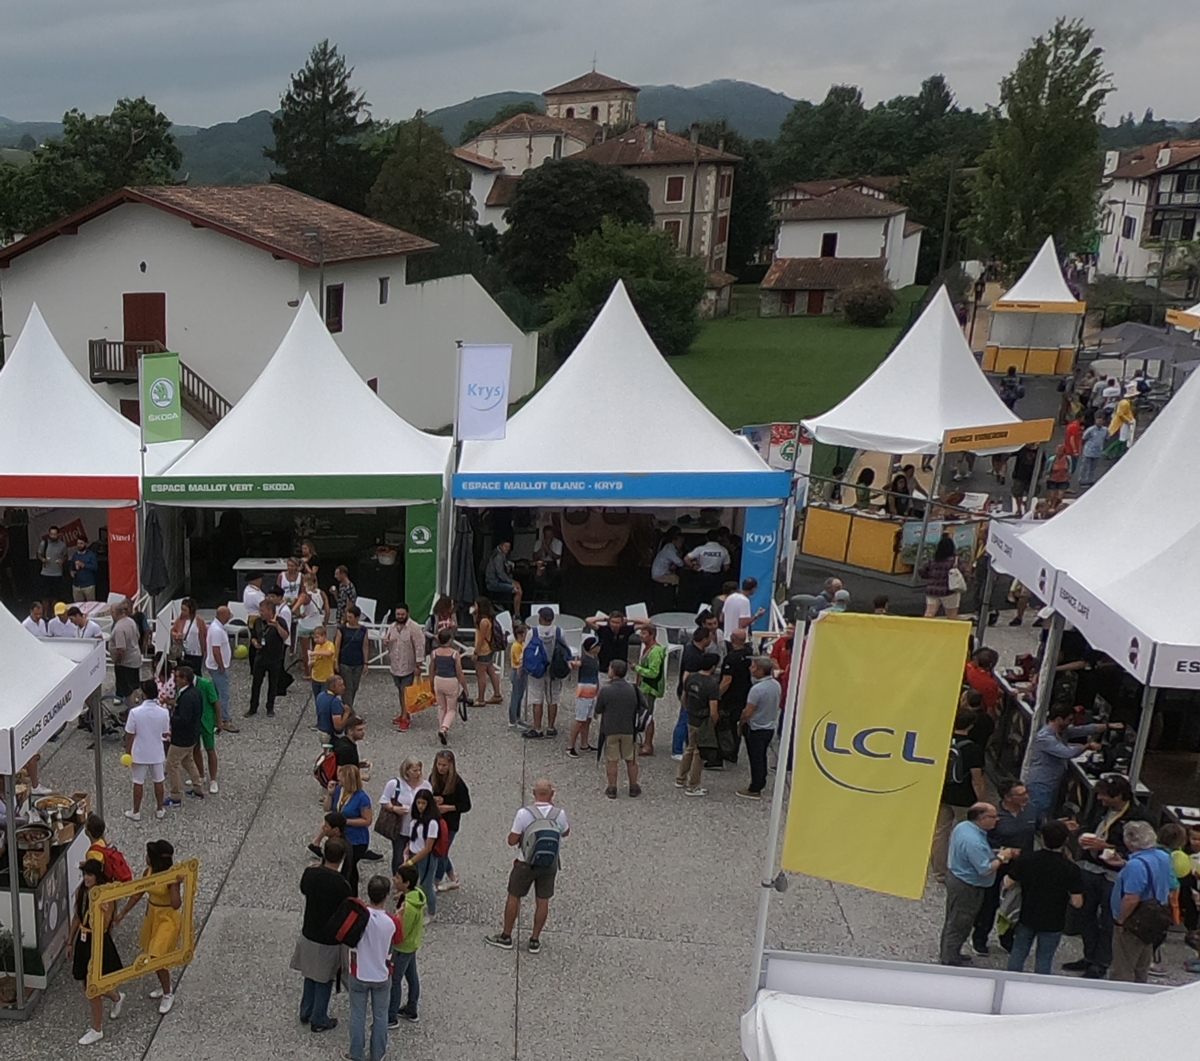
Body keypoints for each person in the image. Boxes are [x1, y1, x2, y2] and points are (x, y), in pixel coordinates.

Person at [1068, 776, 1156, 979]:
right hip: (1090, 867)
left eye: (1104, 795)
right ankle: (1089, 956)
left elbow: (1142, 848)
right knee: (1085, 915)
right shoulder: (1100, 807)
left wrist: (1106, 847)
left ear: (1119, 796)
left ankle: (1101, 962)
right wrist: (1081, 835)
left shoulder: (1140, 817)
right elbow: (1088, 824)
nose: (1100, 798)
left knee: (1109, 920)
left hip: (1115, 874)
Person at [484, 778, 569, 953]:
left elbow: (512, 840)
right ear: (552, 794)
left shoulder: (524, 814)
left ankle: (506, 936)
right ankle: (535, 940)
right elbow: (565, 832)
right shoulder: (559, 814)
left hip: (525, 863)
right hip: (549, 864)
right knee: (543, 901)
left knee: (514, 896)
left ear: (533, 793)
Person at [1004, 819, 1084, 974]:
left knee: (1018, 952)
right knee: (1045, 958)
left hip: (1027, 915)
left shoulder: (1027, 859)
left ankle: (1010, 981)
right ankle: (1039, 988)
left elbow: (1008, 883)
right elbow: (1077, 902)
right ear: (1066, 840)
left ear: (1041, 838)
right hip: (1054, 920)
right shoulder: (1071, 869)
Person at [940, 804, 1017, 965]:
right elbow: (985, 869)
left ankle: (949, 952)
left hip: (957, 877)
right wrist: (1002, 857)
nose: (997, 820)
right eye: (994, 817)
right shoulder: (974, 841)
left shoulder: (963, 827)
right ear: (982, 818)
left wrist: (994, 853)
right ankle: (950, 959)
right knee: (960, 922)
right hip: (967, 886)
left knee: (953, 918)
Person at [113, 839, 184, 1013]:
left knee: (156, 956)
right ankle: (163, 983)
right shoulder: (148, 872)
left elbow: (176, 904)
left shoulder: (170, 877)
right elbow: (138, 894)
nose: (145, 857)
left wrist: (176, 885)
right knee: (156, 957)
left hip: (167, 919)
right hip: (153, 916)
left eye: (148, 855)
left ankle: (168, 994)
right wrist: (122, 913)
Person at [972, 778, 1040, 956]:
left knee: (1015, 904)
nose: (1026, 796)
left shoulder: (1032, 811)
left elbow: (1039, 831)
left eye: (1026, 792)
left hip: (1022, 867)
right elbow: (983, 843)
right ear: (1008, 798)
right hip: (999, 865)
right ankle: (980, 937)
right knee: (989, 903)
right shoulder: (995, 816)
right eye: (1021, 794)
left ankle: (1008, 938)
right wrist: (1005, 852)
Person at [293, 835, 350, 1035]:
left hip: (309, 931)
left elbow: (303, 889)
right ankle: (319, 1018)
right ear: (342, 857)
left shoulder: (310, 875)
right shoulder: (342, 885)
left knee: (309, 973)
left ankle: (305, 1010)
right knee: (325, 978)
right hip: (328, 939)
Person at [68, 858, 125, 1044]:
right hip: (84, 940)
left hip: (98, 940)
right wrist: (70, 942)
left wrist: (100, 910)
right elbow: (77, 916)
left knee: (93, 987)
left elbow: (105, 924)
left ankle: (97, 1028)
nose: (86, 878)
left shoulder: (105, 895)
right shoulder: (81, 892)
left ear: (97, 877)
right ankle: (116, 997)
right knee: (87, 984)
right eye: (85, 874)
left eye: (90, 875)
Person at [1110, 820, 1174, 983]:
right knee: (1142, 966)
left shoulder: (1135, 865)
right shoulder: (1164, 857)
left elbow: (1131, 898)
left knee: (1123, 968)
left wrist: (1120, 921)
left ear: (1129, 841)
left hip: (1134, 922)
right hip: (1153, 919)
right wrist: (1124, 864)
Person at [345, 875, 396, 1061]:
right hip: (381, 975)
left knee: (357, 1015)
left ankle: (356, 1054)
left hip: (359, 972)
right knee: (380, 1016)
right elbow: (398, 941)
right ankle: (378, 1055)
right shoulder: (391, 922)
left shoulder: (358, 916)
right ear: (386, 895)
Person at [932, 708, 986, 884]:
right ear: (971, 726)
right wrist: (982, 801)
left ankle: (939, 872)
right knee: (967, 833)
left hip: (943, 792)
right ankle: (962, 869)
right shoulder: (973, 749)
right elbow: (977, 779)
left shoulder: (943, 741)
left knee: (941, 832)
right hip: (964, 797)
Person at [1024, 705, 1104, 822]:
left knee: (1046, 814)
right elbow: (1067, 753)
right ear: (1059, 719)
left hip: (1052, 781)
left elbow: (1080, 730)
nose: (1070, 724)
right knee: (1036, 815)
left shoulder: (1061, 732)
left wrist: (1104, 726)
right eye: (1069, 720)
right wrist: (1087, 747)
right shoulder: (1045, 737)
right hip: (1041, 782)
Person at [594, 659, 642, 799]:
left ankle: (612, 787)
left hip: (611, 730)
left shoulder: (606, 690)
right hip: (629, 729)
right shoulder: (634, 689)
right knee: (631, 759)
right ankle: (633, 786)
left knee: (612, 760)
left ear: (613, 671)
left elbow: (598, 709)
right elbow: (643, 707)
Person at [124, 679, 170, 822]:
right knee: (159, 781)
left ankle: (136, 811)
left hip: (139, 752)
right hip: (156, 752)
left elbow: (130, 735)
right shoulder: (164, 712)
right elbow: (164, 733)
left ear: (143, 694)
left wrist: (128, 752)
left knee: (138, 782)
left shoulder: (135, 712)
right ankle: (160, 809)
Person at [676, 652, 720, 797]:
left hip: (691, 718)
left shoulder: (691, 677)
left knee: (689, 748)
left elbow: (684, 698)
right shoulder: (712, 685)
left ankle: (680, 778)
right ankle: (693, 785)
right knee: (699, 753)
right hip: (703, 722)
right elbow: (713, 710)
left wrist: (688, 710)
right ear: (713, 667)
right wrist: (714, 723)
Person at [524, 607, 571, 740]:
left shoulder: (532, 632)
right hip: (554, 670)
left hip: (537, 670)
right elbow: (566, 649)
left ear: (540, 618)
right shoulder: (559, 632)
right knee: (553, 699)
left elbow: (525, 651)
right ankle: (550, 727)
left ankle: (537, 728)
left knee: (537, 699)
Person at [387, 864, 426, 1027]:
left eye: (398, 878)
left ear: (406, 883)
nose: (395, 880)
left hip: (402, 948)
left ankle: (391, 1017)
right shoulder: (417, 895)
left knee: (395, 981)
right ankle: (411, 1008)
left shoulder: (408, 908)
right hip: (413, 945)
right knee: (411, 976)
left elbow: (401, 932)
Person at [737, 656, 781, 800]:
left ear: (761, 670)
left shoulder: (756, 689)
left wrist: (741, 723)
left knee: (755, 758)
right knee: (762, 756)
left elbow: (748, 711)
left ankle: (755, 788)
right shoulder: (776, 685)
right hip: (769, 726)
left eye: (754, 666)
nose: (751, 669)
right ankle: (761, 780)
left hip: (756, 728)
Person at [324, 765, 373, 891]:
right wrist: (330, 794)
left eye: (341, 778)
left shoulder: (362, 798)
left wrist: (346, 821)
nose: (338, 779)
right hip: (341, 836)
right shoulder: (339, 790)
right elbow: (327, 808)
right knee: (347, 867)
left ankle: (351, 891)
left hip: (356, 840)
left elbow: (367, 820)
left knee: (349, 866)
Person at [163, 666, 205, 808]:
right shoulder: (196, 693)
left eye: (178, 677)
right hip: (193, 736)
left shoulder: (186, 697)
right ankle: (197, 787)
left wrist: (170, 718)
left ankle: (175, 796)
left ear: (185, 679)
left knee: (172, 764)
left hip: (181, 739)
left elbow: (183, 719)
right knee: (188, 761)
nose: (175, 680)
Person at [380, 758, 432, 874]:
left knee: (416, 857)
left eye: (419, 770)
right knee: (399, 857)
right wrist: (394, 808)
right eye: (414, 771)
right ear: (406, 771)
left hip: (418, 829)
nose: (418, 773)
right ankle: (398, 879)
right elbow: (384, 800)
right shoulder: (395, 784)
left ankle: (413, 881)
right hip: (400, 828)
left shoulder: (426, 786)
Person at [431, 749, 470, 892]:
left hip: (451, 823)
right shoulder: (433, 778)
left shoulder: (458, 783)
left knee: (442, 852)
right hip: (437, 821)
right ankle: (453, 877)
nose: (440, 768)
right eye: (439, 765)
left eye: (444, 765)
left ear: (451, 766)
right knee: (441, 850)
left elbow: (466, 805)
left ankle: (437, 879)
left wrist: (449, 807)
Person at [400, 790, 442, 920]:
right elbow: (413, 839)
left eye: (423, 803)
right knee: (413, 884)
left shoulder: (432, 823)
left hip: (425, 857)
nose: (420, 806)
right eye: (418, 803)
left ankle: (432, 912)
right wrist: (407, 851)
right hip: (413, 853)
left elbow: (428, 847)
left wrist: (412, 862)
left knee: (427, 885)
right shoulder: (415, 820)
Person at [673, 627, 713, 757]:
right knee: (684, 720)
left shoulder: (690, 647)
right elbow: (686, 675)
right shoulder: (693, 656)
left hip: (689, 691)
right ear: (705, 639)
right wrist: (685, 693)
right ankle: (677, 750)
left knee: (687, 720)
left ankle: (686, 745)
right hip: (689, 692)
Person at [384, 602, 425, 731]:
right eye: (398, 614)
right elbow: (388, 640)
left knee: (405, 692)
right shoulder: (392, 627)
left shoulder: (414, 628)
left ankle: (405, 718)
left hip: (409, 665)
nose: (400, 616)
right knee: (400, 691)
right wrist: (385, 641)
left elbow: (419, 646)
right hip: (395, 665)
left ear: (407, 614)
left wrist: (419, 664)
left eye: (402, 614)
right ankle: (403, 713)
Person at [428, 629, 470, 745]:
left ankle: (441, 727)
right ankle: (444, 728)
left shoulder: (434, 653)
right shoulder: (454, 653)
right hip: (451, 680)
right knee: (451, 708)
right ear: (450, 639)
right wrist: (464, 686)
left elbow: (431, 669)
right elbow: (459, 672)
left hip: (438, 679)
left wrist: (431, 682)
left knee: (441, 707)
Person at [248, 599, 288, 717]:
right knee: (256, 683)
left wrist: (277, 626)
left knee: (273, 684)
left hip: (275, 658)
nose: (261, 613)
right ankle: (253, 707)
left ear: (270, 610)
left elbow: (285, 636)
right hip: (260, 657)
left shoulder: (280, 621)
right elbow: (253, 636)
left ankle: (270, 707)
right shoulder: (258, 622)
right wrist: (254, 642)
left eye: (263, 611)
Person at [719, 628, 753, 762]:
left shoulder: (731, 658)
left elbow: (727, 681)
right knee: (739, 722)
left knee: (728, 724)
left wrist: (718, 695)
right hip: (744, 693)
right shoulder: (748, 653)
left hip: (731, 696)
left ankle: (728, 751)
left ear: (732, 639)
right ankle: (735, 750)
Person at [633, 625, 667, 756]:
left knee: (648, 716)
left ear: (652, 635)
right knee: (644, 715)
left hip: (650, 687)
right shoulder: (647, 648)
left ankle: (648, 745)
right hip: (644, 686)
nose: (641, 635)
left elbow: (653, 673)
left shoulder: (655, 651)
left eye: (644, 633)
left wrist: (637, 668)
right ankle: (646, 742)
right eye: (641, 633)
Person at [567, 636, 601, 757]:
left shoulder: (596, 658)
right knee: (580, 720)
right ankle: (570, 746)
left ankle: (584, 744)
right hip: (583, 694)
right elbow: (578, 663)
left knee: (588, 720)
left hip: (592, 693)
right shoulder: (585, 659)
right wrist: (571, 663)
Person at [204, 605, 235, 732]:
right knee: (223, 694)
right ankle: (225, 719)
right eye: (228, 614)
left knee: (217, 693)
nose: (230, 617)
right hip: (218, 667)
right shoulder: (217, 630)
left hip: (214, 665)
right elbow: (216, 650)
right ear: (222, 615)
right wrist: (221, 665)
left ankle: (218, 718)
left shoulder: (215, 627)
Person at [920, 535, 966, 619]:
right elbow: (963, 572)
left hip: (932, 590)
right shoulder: (955, 561)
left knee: (929, 613)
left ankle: (923, 630)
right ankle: (949, 631)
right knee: (952, 615)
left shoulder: (933, 560)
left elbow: (923, 572)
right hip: (949, 591)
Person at [192, 669, 221, 795]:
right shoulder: (183, 685)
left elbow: (216, 703)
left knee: (210, 749)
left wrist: (219, 721)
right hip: (193, 721)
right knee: (195, 749)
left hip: (207, 721)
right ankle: (201, 775)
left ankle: (213, 780)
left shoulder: (206, 684)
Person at [295, 574, 328, 680]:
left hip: (305, 625)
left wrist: (299, 615)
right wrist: (324, 624)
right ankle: (317, 671)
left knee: (306, 652)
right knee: (318, 650)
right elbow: (327, 610)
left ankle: (308, 673)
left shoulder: (304, 596)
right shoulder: (321, 593)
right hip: (317, 625)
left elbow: (294, 609)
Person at [336, 603, 370, 708]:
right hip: (345, 662)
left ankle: (348, 707)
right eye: (348, 616)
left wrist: (366, 662)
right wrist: (335, 662)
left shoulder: (363, 630)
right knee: (348, 687)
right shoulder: (342, 629)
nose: (348, 619)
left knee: (355, 686)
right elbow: (337, 646)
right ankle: (348, 710)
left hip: (358, 662)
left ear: (357, 618)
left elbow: (365, 646)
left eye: (350, 617)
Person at [470, 597, 503, 706]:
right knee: (491, 670)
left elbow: (480, 639)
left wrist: (476, 652)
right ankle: (497, 694)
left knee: (481, 674)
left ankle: (481, 699)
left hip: (483, 650)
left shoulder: (484, 622)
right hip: (488, 649)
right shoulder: (488, 619)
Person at [685, 530, 731, 604]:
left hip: (702, 576)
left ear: (707, 538)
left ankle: (700, 613)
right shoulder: (723, 550)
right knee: (714, 599)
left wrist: (693, 566)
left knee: (700, 598)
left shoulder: (701, 549)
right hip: (716, 578)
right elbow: (726, 566)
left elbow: (687, 558)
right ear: (718, 538)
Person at [484, 541, 522, 615]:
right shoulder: (498, 556)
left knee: (518, 585)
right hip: (494, 583)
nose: (507, 549)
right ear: (501, 545)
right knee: (518, 590)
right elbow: (500, 574)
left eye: (509, 547)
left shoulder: (501, 554)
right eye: (505, 546)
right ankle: (517, 614)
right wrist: (511, 582)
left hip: (496, 581)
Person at [170, 598, 207, 675]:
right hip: (184, 651)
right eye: (182, 609)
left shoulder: (199, 621)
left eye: (185, 610)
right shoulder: (180, 620)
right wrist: (177, 635)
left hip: (197, 651)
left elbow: (204, 634)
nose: (183, 612)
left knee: (196, 672)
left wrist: (205, 650)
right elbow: (172, 631)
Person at [964, 648, 1002, 717]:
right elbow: (990, 709)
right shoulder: (991, 684)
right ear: (990, 665)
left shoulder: (966, 668)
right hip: (975, 716)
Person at [316, 675, 350, 746]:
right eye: (340, 685)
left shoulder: (321, 695)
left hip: (321, 731)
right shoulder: (334, 702)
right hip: (330, 735)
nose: (343, 687)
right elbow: (338, 726)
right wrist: (346, 713)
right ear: (332, 687)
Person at [37, 525, 68, 601]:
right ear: (49, 534)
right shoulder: (44, 543)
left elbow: (66, 556)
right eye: (51, 534)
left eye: (55, 534)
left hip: (57, 574)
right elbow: (39, 554)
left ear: (58, 535)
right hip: (46, 573)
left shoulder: (62, 545)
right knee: (45, 596)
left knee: (56, 596)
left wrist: (62, 561)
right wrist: (43, 560)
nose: (53, 536)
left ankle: (54, 611)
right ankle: (46, 611)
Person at [242, 572, 265, 671]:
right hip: (256, 618)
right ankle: (255, 666)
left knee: (255, 640)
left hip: (254, 617)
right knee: (256, 640)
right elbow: (262, 604)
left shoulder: (250, 590)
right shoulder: (253, 593)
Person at [508, 620, 528, 730]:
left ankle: (518, 717)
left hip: (522, 672)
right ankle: (512, 721)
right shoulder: (516, 646)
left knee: (520, 696)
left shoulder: (521, 645)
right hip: (517, 672)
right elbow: (519, 660)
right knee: (515, 696)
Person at [309, 624, 337, 703]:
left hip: (326, 678)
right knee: (317, 699)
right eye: (315, 638)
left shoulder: (329, 645)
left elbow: (329, 653)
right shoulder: (317, 646)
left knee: (325, 700)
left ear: (324, 636)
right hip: (316, 677)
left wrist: (315, 653)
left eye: (317, 637)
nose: (315, 640)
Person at [1079, 412, 1108, 488]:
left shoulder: (1105, 430)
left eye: (1100, 421)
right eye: (1097, 420)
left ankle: (1091, 480)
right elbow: (1084, 438)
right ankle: (1082, 480)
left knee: (1093, 467)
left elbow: (1107, 438)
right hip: (1089, 450)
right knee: (1085, 466)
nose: (1099, 422)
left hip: (1097, 451)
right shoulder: (1091, 430)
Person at [1010, 444, 1038, 516]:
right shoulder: (1022, 449)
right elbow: (1011, 453)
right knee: (1018, 493)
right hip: (1019, 475)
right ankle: (1019, 509)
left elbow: (1042, 462)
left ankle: (1026, 506)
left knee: (1031, 493)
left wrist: (1039, 474)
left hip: (1031, 476)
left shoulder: (1038, 451)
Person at [69, 535, 99, 602]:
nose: (79, 545)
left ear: (86, 543)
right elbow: (71, 566)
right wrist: (71, 571)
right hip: (77, 586)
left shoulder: (91, 555)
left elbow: (95, 567)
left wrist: (84, 565)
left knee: (91, 605)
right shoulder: (75, 555)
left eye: (81, 543)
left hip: (88, 585)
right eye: (78, 543)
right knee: (78, 606)